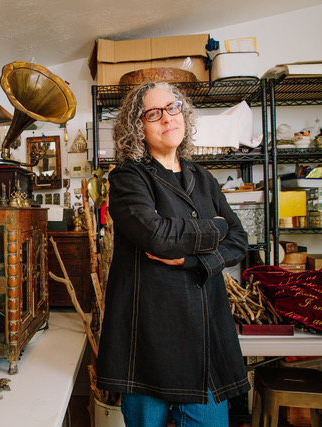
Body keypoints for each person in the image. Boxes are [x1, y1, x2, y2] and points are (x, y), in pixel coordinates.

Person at [96, 81, 250, 427]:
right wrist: (217, 228)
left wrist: (192, 260)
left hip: (204, 339)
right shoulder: (128, 178)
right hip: (149, 339)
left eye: (173, 108)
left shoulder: (205, 179)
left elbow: (240, 241)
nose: (167, 118)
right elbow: (158, 236)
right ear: (138, 125)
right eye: (154, 113)